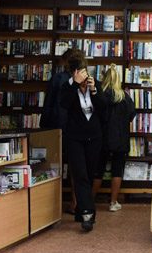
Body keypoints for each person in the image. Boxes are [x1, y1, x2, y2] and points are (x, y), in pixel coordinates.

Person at [60, 55, 106, 232]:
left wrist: (94, 91)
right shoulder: (67, 87)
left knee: (89, 172)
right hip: (75, 137)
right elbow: (64, 104)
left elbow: (103, 109)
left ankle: (81, 210)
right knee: (80, 175)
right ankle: (88, 213)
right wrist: (74, 85)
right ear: (75, 73)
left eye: (86, 73)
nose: (84, 78)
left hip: (94, 137)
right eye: (81, 74)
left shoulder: (95, 86)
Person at [39, 48, 85, 215]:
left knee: (52, 164)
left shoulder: (58, 79)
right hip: (78, 129)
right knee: (76, 167)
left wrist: (43, 126)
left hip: (57, 127)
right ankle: (76, 202)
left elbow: (49, 104)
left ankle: (50, 203)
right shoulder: (84, 80)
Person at [92, 64, 135, 213]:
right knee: (117, 170)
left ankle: (90, 201)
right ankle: (113, 202)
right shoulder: (125, 97)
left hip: (102, 138)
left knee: (98, 170)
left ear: (104, 79)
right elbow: (131, 116)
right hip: (120, 139)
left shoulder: (99, 96)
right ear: (118, 79)